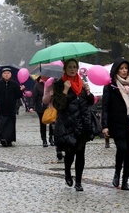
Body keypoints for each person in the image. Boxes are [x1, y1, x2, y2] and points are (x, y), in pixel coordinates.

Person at [53, 58, 94, 192]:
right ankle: (67, 173)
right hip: (67, 124)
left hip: (82, 123)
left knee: (81, 154)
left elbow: (89, 103)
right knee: (70, 153)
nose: (72, 69)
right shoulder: (59, 83)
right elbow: (58, 105)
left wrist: (88, 93)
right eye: (69, 67)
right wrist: (65, 90)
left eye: (74, 67)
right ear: (65, 69)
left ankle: (78, 182)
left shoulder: (82, 83)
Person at [101, 57, 129, 191]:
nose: (124, 71)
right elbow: (105, 106)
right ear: (116, 70)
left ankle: (125, 180)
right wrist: (104, 125)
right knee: (122, 148)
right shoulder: (110, 87)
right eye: (121, 68)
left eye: (126, 68)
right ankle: (117, 172)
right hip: (117, 123)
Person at [0, 67, 25, 147]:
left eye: (8, 73)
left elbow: (18, 96)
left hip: (11, 108)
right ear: (2, 75)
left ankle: (9, 139)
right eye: (5, 73)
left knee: (10, 124)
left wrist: (21, 90)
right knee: (2, 124)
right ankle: (3, 139)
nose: (6, 75)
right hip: (1, 108)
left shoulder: (14, 84)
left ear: (11, 74)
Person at [31, 76, 53, 147]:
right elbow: (34, 96)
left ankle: (51, 137)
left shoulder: (52, 83)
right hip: (40, 107)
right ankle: (44, 139)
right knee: (43, 123)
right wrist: (31, 106)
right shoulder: (37, 85)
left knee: (52, 122)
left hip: (51, 106)